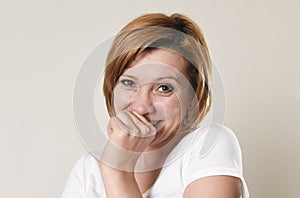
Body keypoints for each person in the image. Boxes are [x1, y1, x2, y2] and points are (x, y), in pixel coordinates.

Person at [62, 13, 249, 198]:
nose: (142, 108)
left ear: (194, 100)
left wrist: (118, 173)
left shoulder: (208, 146)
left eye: (164, 88)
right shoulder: (89, 171)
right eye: (129, 83)